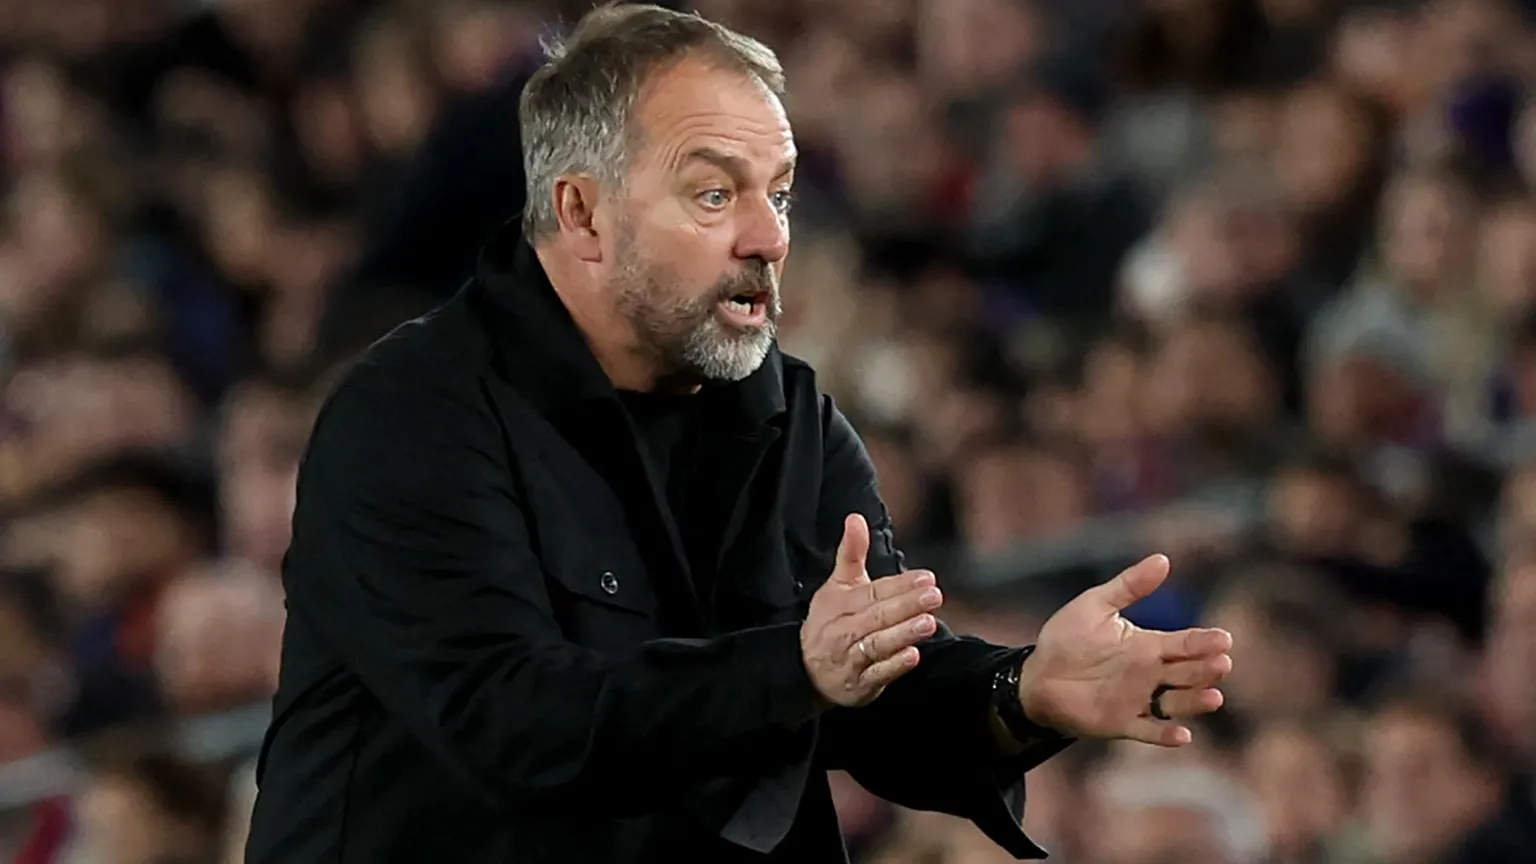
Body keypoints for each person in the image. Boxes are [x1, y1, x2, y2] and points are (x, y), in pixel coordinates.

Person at [245, 5, 1234, 862]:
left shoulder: (789, 417)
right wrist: (793, 670)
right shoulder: (411, 417)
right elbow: (513, 724)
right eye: (715, 194)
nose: (770, 237)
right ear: (581, 213)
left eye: (781, 191)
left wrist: (1024, 691)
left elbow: (877, 691)